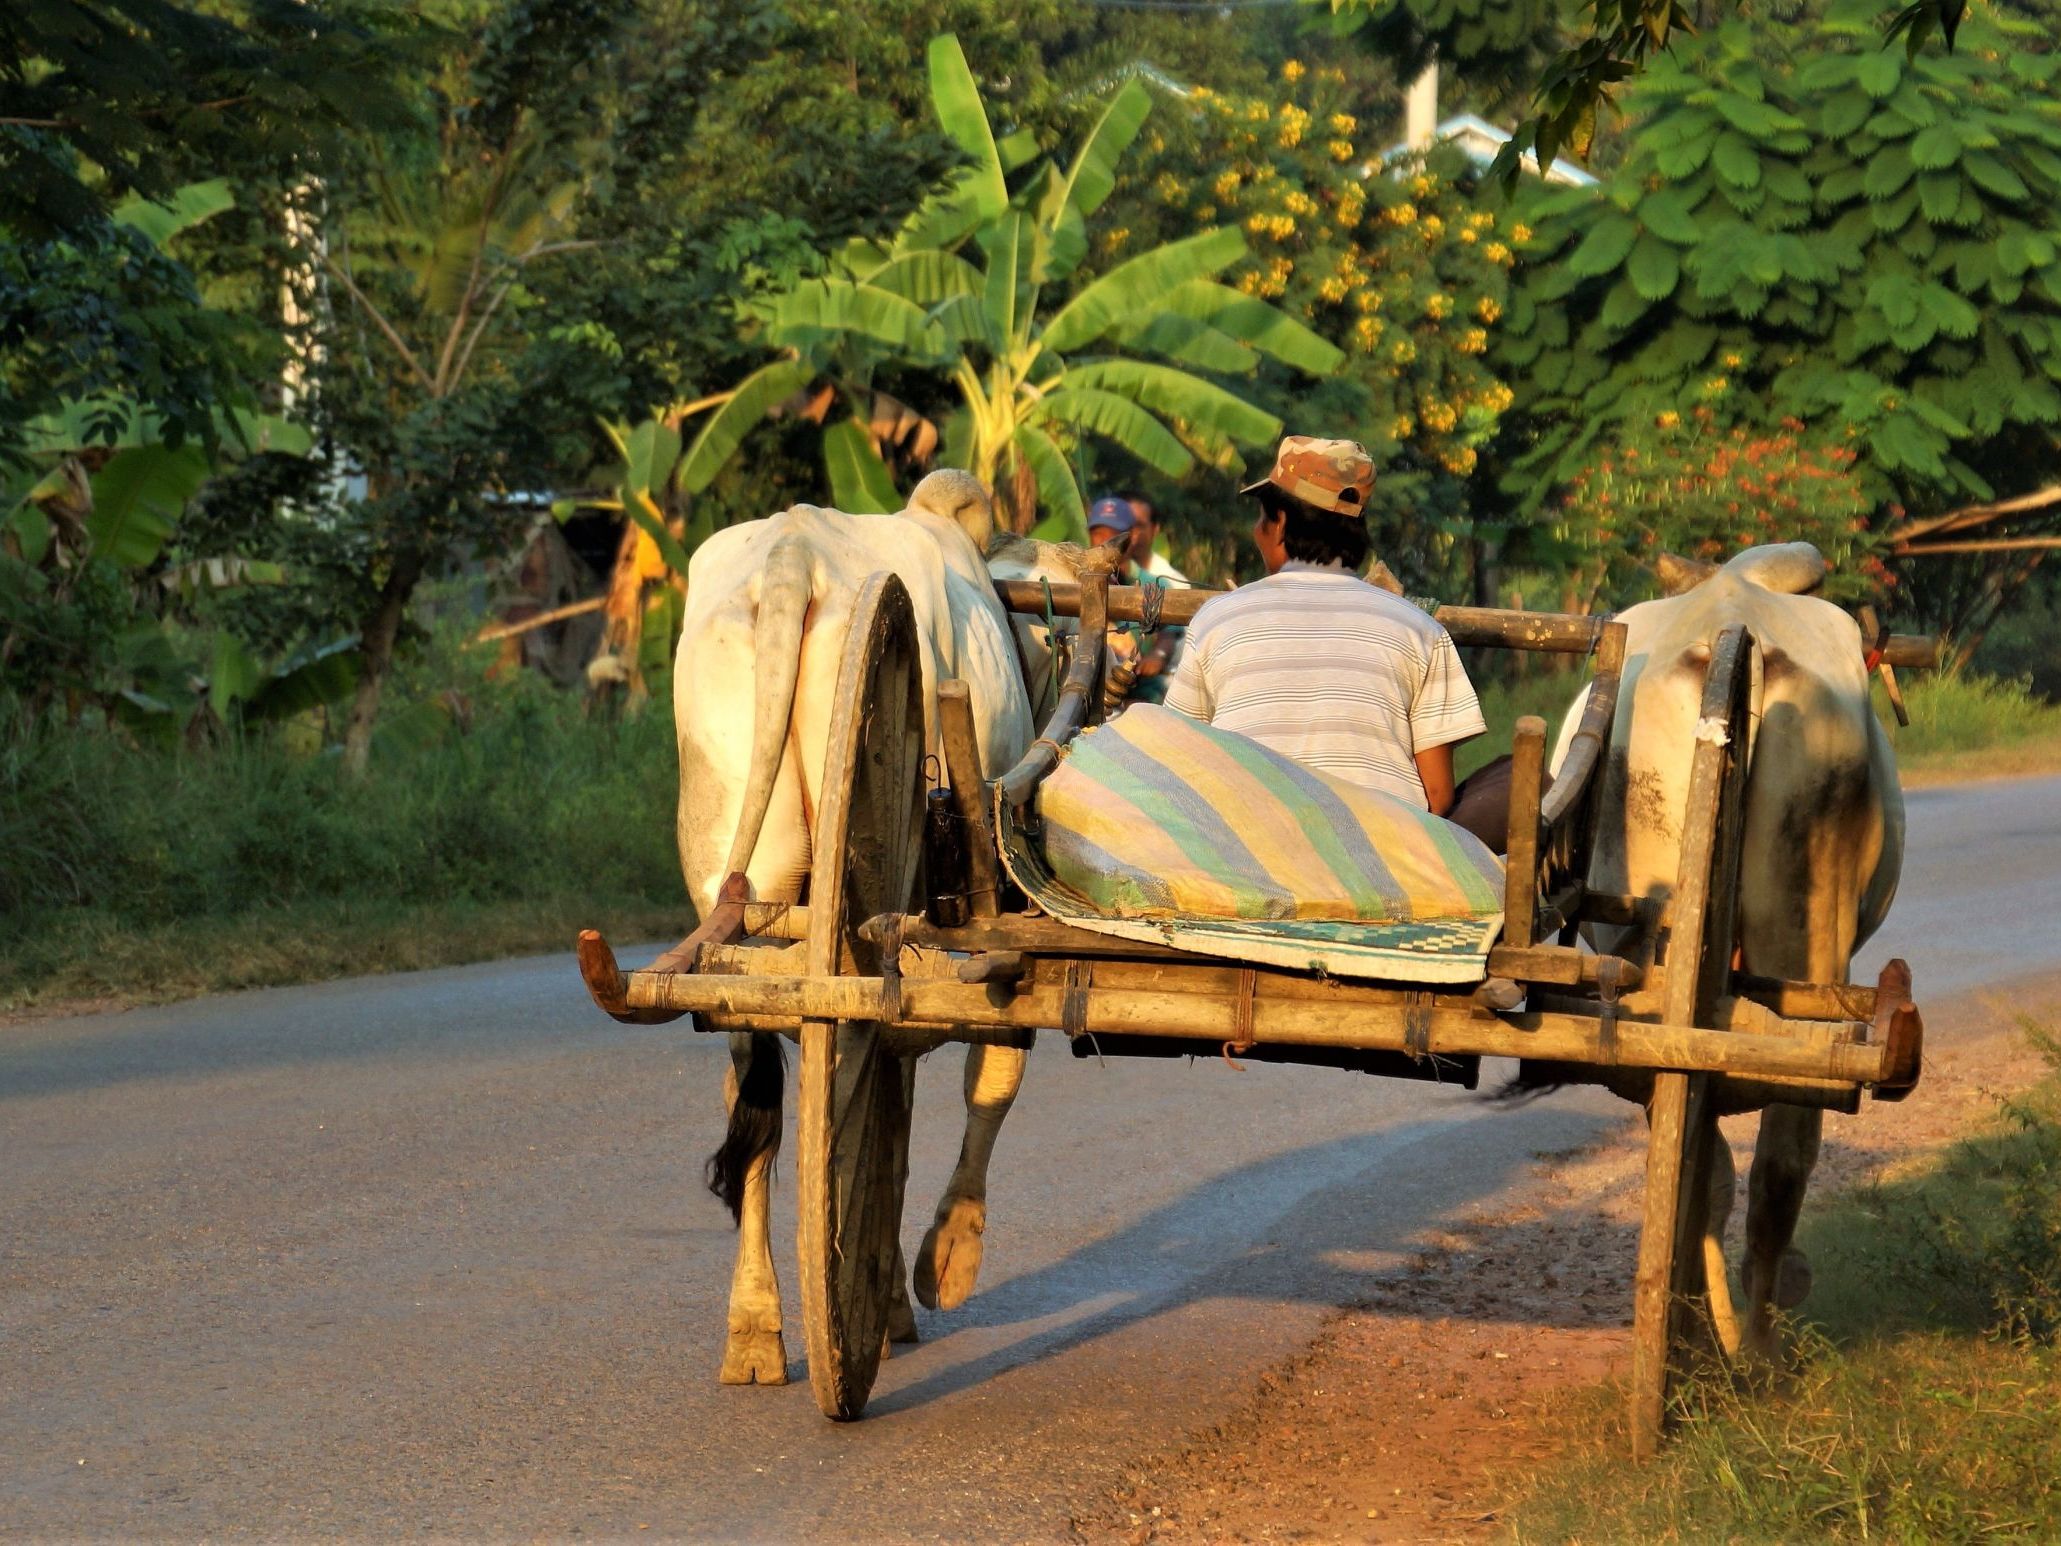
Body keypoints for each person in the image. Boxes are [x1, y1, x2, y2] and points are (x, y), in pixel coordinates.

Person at [1163, 436, 1487, 821]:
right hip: (1382, 854)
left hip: (1244, 845)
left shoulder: (1217, 619)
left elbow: (1178, 760)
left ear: (1279, 523)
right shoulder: (1419, 629)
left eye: (1262, 517)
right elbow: (1436, 796)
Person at [1087, 494, 1182, 705]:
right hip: (1088, 687)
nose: (1105, 542)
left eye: (1114, 535)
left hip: (1141, 690)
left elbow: (1168, 634)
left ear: (1132, 537)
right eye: (1098, 534)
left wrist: (1157, 656)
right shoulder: (1076, 583)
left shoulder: (1156, 585)